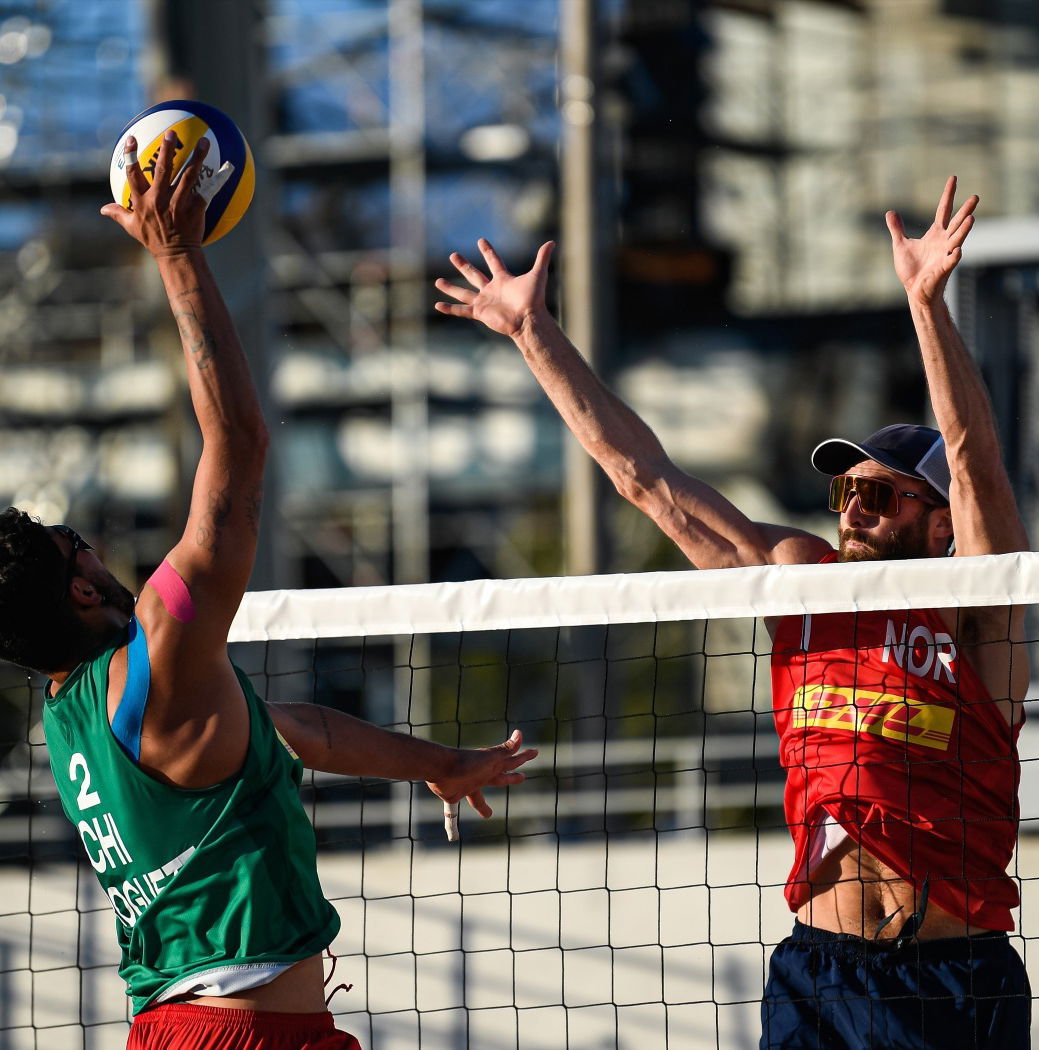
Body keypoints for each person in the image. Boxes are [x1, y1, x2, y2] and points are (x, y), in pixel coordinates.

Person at [434, 176, 1030, 1049]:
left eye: (880, 493)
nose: (851, 507)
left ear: (937, 520)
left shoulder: (976, 614)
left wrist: (926, 306)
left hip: (949, 980)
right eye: (843, 488)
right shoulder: (800, 580)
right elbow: (649, 483)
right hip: (817, 972)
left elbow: (976, 464)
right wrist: (532, 334)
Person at [0, 131, 536, 1050]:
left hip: (211, 1027)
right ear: (82, 590)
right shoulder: (159, 658)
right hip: (233, 1037)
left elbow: (294, 729)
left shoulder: (79, 709)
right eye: (77, 547)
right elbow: (239, 448)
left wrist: (438, 765)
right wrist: (179, 258)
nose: (95, 556)